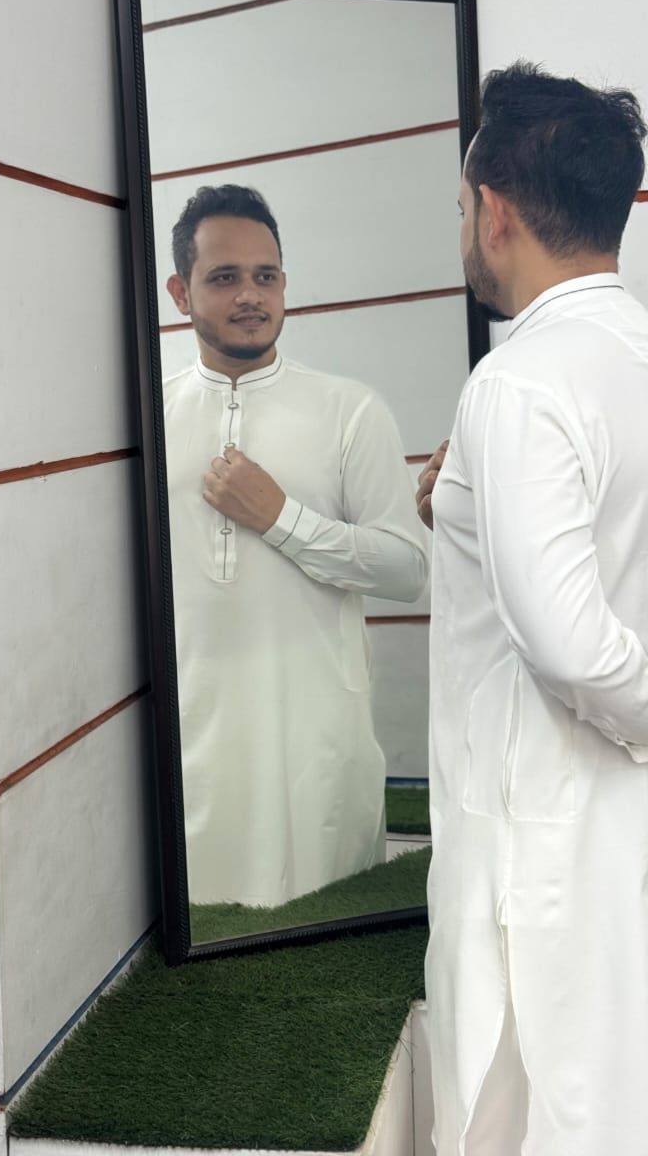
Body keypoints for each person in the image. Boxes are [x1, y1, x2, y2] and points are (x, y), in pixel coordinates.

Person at [416, 61, 648, 1155]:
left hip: (535, 849)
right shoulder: (629, 356)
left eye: (463, 205)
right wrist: (461, 510)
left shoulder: (518, 381)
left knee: (532, 1112)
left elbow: (573, 647)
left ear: (495, 210)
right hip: (607, 829)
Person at [163, 184, 428, 907]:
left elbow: (408, 570)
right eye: (225, 277)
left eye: (266, 276)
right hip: (190, 754)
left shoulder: (349, 411)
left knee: (323, 948)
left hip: (317, 753)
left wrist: (281, 518)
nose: (250, 295)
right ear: (181, 293)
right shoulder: (148, 421)